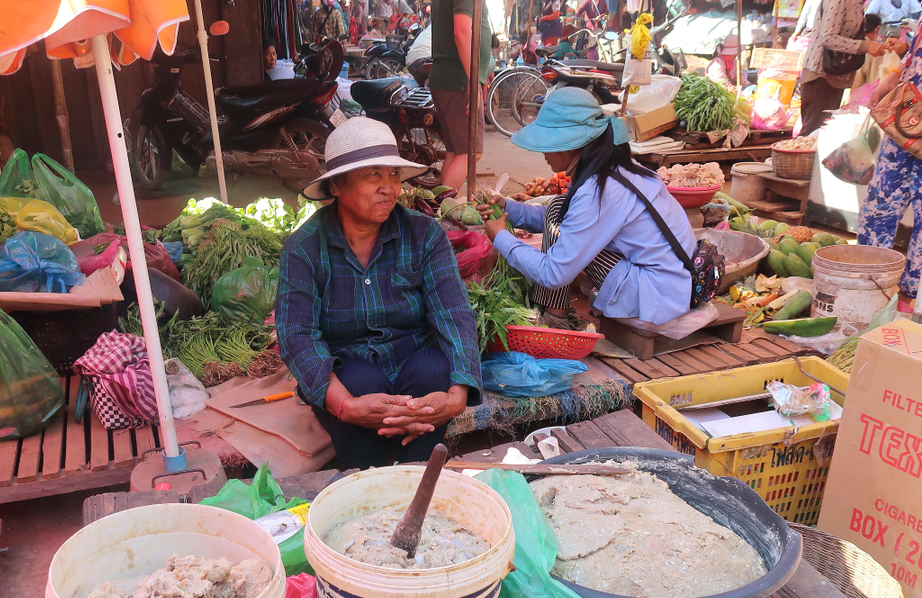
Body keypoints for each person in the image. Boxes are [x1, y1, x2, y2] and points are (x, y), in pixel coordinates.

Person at [275, 118, 482, 470]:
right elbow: (297, 336)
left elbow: (454, 313)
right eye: (373, 175)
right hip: (349, 370)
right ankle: (363, 473)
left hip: (413, 363)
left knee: (434, 370)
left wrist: (458, 394)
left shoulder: (423, 234)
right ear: (337, 185)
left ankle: (417, 473)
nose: (389, 188)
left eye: (393, 175)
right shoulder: (304, 248)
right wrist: (344, 406)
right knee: (361, 383)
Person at [477, 87, 695, 327]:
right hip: (673, 284)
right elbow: (562, 214)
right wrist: (509, 208)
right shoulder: (619, 171)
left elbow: (553, 273)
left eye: (548, 144)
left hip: (655, 297)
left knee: (560, 229)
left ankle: (554, 317)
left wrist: (502, 237)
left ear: (571, 145)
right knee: (558, 208)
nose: (543, 153)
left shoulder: (600, 192)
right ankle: (558, 310)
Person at [858, 25, 922, 301]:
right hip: (906, 118)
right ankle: (867, 278)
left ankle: (915, 292)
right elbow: (915, 54)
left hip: (909, 117)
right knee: (880, 202)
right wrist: (891, 78)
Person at [799, 0, 893, 136]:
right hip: (820, 74)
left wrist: (874, 46)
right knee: (812, 134)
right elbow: (828, 38)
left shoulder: (857, 4)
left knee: (823, 133)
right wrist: (866, 46)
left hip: (837, 75)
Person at [430, 0, 494, 191]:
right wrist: (474, 81)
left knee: (456, 151)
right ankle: (442, 210)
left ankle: (440, 209)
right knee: (470, 152)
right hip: (460, 80)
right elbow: (461, 31)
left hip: (450, 77)